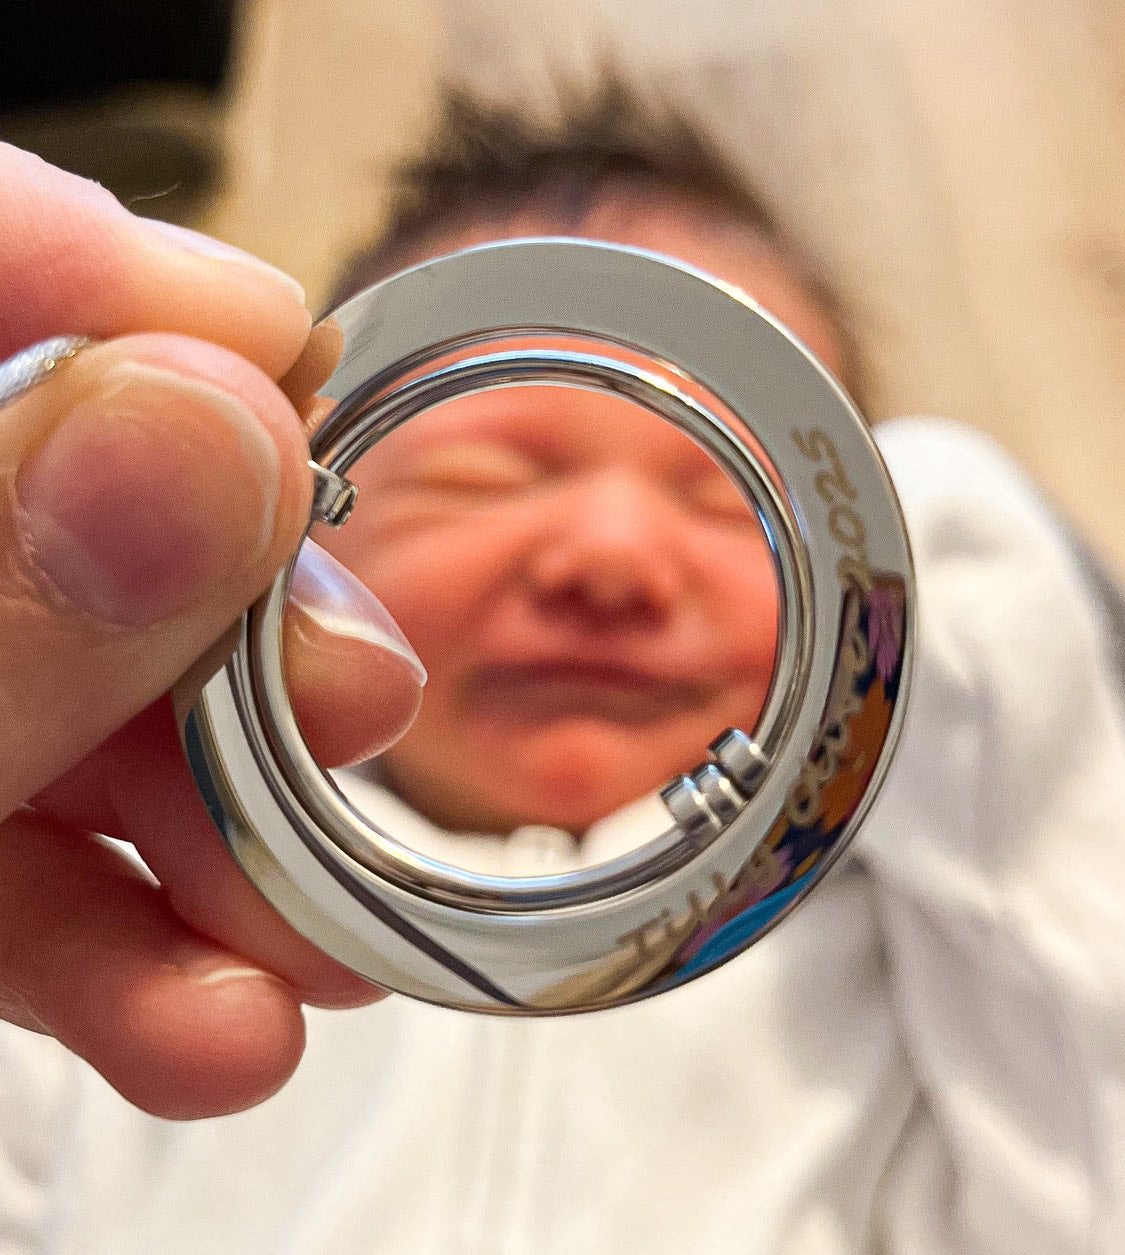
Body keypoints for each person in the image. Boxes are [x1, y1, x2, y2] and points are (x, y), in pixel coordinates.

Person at [2, 82, 1125, 1255]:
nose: (613, 558)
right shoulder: (132, 901)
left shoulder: (902, 938)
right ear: (295, 531)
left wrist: (932, 543)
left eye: (730, 497)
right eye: (490, 476)